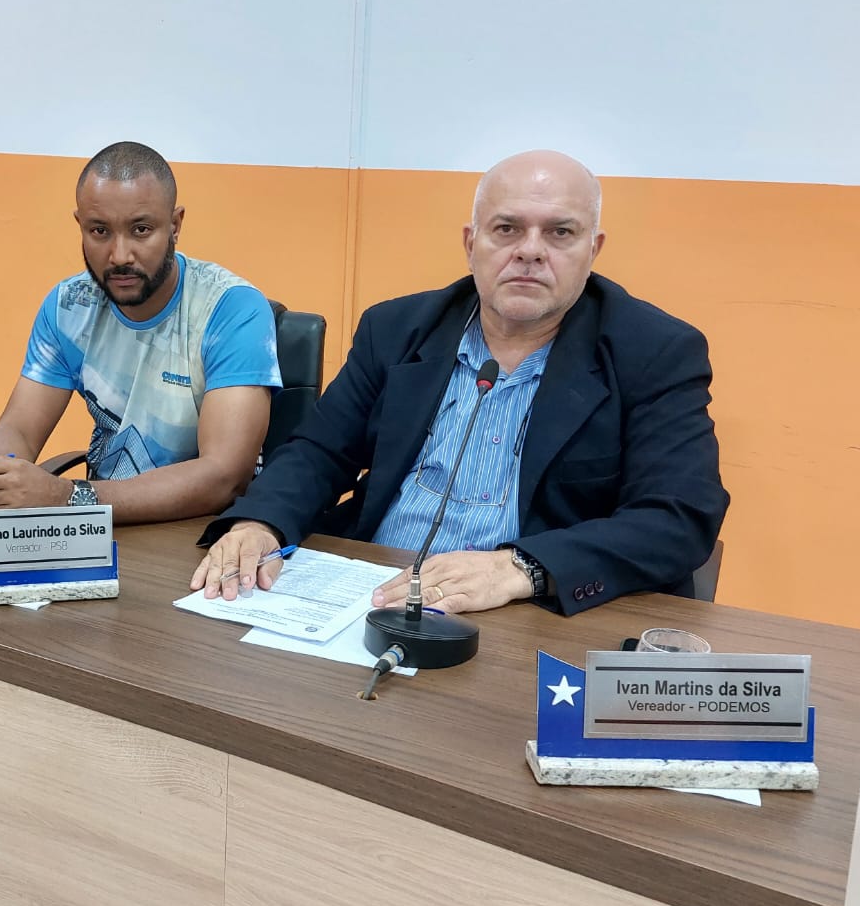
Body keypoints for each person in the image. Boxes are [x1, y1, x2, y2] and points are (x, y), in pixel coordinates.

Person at [192, 149, 729, 616]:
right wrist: (260, 524)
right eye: (507, 229)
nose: (530, 250)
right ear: (472, 243)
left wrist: (521, 568)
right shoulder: (396, 329)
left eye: (560, 232)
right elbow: (319, 452)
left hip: (527, 609)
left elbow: (678, 517)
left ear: (594, 249)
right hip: (371, 590)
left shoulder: (653, 351)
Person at [0, 141, 282, 523]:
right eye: (100, 231)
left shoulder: (231, 310)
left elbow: (223, 477)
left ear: (175, 225)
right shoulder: (69, 306)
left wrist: (68, 496)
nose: (119, 255)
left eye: (141, 230)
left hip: (204, 535)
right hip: (99, 527)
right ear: (80, 225)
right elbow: (19, 431)